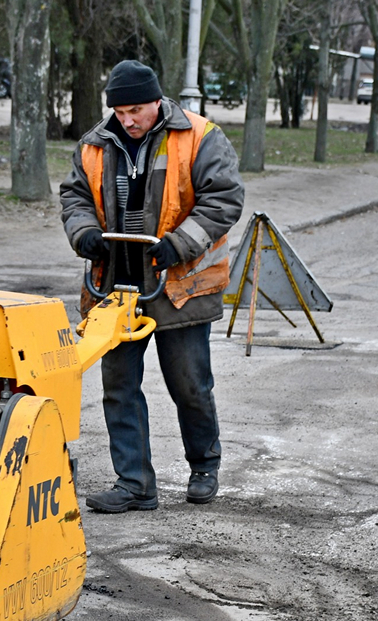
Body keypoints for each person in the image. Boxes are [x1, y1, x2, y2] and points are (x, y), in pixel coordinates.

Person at [60, 60, 245, 513]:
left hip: (179, 285)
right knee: (119, 387)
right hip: (113, 287)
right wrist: (83, 232)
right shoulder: (94, 144)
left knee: (190, 385)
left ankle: (204, 466)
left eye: (136, 110)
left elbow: (223, 199)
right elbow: (75, 196)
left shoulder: (200, 137)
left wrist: (179, 245)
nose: (128, 120)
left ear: (157, 101)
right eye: (120, 112)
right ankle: (135, 483)